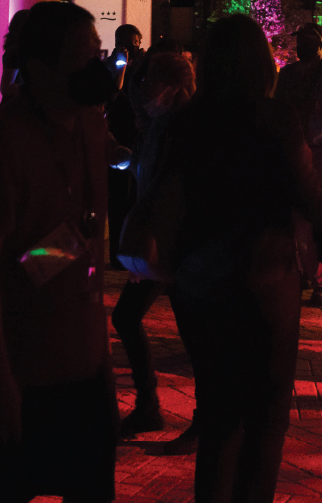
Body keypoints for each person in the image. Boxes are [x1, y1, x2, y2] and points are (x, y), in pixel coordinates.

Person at [160, 14, 322, 503]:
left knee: (219, 415)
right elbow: (307, 198)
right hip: (262, 281)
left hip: (198, 283)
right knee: (265, 415)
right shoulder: (273, 118)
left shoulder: (185, 122)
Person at [0, 2, 117, 503]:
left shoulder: (90, 127)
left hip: (83, 368)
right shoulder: (3, 143)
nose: (97, 70)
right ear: (42, 69)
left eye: (98, 55)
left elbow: (77, 242)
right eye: (82, 59)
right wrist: (0, 383)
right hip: (15, 371)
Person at [111, 52, 196, 442]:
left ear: (174, 87)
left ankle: (163, 410)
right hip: (164, 241)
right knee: (136, 319)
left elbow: (168, 187)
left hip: (171, 242)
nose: (144, 88)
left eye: (151, 81)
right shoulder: (161, 125)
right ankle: (151, 408)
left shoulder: (178, 127)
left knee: (191, 329)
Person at [275, 22, 322, 306]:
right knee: (295, 214)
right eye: (299, 43)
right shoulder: (287, 75)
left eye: (308, 42)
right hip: (295, 150)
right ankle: (302, 272)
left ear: (320, 46)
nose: (302, 48)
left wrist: (320, 109)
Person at [106, 23, 145, 270]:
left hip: (138, 134)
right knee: (117, 197)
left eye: (135, 42)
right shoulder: (110, 64)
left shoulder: (144, 66)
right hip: (116, 135)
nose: (131, 46)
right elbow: (111, 93)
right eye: (126, 41)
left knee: (136, 198)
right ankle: (116, 254)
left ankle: (131, 250)